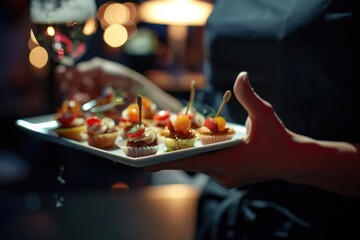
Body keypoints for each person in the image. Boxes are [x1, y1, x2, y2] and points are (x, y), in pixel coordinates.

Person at [54, 0, 359, 239]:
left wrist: (290, 159)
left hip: (320, 223)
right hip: (221, 219)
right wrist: (137, 89)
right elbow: (215, 115)